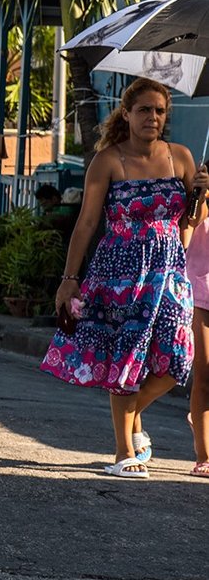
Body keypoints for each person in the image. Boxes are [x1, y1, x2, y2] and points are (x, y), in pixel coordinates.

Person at [42, 77, 203, 479]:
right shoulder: (108, 160)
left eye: (160, 111)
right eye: (144, 109)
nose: (153, 117)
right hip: (120, 273)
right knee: (127, 359)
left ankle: (132, 416)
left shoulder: (181, 157)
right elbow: (86, 223)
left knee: (177, 360)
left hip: (169, 272)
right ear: (127, 114)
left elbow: (189, 221)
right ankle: (122, 452)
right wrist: (69, 278)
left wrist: (202, 194)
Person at [187, 214, 209, 478]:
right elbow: (189, 222)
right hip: (200, 286)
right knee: (204, 376)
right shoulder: (200, 185)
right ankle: (204, 454)